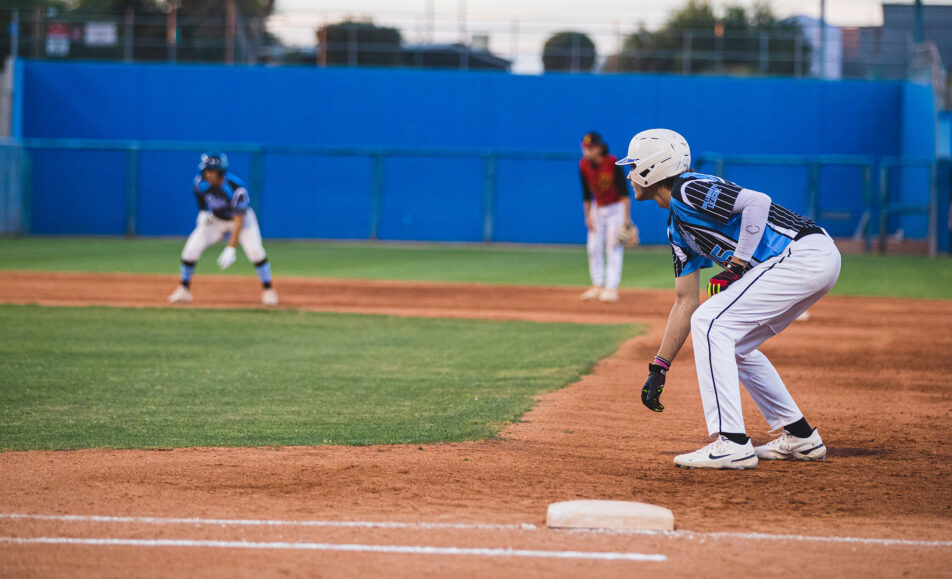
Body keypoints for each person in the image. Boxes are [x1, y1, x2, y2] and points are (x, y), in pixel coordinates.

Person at [618, 129, 840, 470]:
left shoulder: (688, 188)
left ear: (652, 168)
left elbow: (757, 202)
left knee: (710, 323)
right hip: (804, 261)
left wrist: (735, 266)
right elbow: (685, 301)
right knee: (732, 345)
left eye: (633, 166)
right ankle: (800, 437)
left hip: (803, 254)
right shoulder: (677, 227)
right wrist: (660, 367)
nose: (629, 175)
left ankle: (732, 443)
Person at [167, 152, 278, 306]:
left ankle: (268, 289)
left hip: (242, 220)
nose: (208, 174)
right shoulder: (200, 182)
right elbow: (199, 195)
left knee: (256, 252)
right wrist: (203, 211)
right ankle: (183, 290)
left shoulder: (237, 189)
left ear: (220, 172)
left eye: (211, 171)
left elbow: (238, 221)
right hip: (216, 219)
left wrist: (231, 248)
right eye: (206, 170)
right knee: (190, 250)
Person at [578, 131, 634, 303]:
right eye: (585, 148)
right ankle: (597, 285)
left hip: (616, 208)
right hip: (597, 208)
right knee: (593, 247)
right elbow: (586, 195)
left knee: (613, 246)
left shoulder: (613, 163)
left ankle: (611, 287)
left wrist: (626, 219)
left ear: (599, 148)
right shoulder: (583, 165)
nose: (586, 151)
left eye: (590, 148)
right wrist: (588, 216)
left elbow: (625, 194)